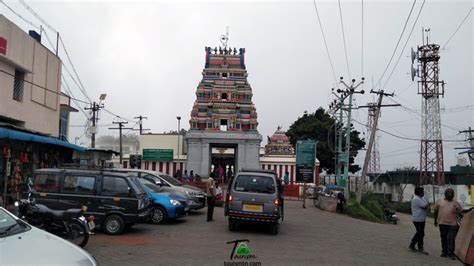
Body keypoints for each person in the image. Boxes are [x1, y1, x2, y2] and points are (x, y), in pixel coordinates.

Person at [434, 188, 462, 260]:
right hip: (442, 223)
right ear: (445, 194)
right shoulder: (439, 201)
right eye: (450, 193)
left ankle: (451, 253)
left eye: (452, 194)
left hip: (453, 224)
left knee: (451, 238)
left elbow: (461, 212)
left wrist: (463, 211)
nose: (451, 195)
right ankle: (444, 252)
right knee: (443, 238)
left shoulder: (456, 203)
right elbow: (436, 211)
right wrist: (435, 220)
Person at [409, 187, 429, 255]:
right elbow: (425, 206)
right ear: (419, 192)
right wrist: (427, 205)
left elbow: (426, 205)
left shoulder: (421, 198)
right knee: (420, 233)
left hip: (422, 218)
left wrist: (427, 205)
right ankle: (417, 246)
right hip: (418, 219)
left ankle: (414, 245)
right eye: (422, 192)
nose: (423, 193)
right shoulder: (416, 199)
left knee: (420, 233)